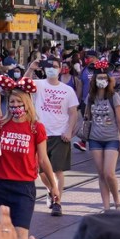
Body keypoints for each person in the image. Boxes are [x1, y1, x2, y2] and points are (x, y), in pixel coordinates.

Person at [0, 81, 54, 233]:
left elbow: (43, 159)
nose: (15, 105)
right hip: (1, 185)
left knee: (21, 234)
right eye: (12, 102)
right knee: (2, 234)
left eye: (19, 102)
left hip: (24, 187)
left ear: (27, 103)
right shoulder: (1, 125)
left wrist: (53, 186)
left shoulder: (36, 127)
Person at [80, 65, 120, 211]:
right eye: (99, 78)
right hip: (95, 138)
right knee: (101, 173)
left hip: (112, 138)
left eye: (104, 78)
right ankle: (106, 207)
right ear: (94, 79)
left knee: (109, 173)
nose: (102, 80)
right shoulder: (91, 97)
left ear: (109, 80)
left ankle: (117, 201)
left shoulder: (114, 97)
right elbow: (87, 116)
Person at [32, 64, 77, 217]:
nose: (51, 69)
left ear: (60, 69)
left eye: (55, 66)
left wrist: (69, 131)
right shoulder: (39, 84)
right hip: (40, 134)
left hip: (60, 134)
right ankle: (52, 190)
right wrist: (31, 68)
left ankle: (57, 203)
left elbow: (73, 113)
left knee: (57, 170)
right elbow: (22, 84)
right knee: (41, 172)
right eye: (48, 66)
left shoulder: (67, 90)